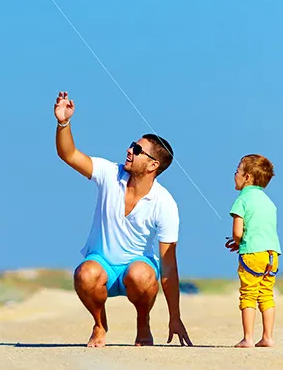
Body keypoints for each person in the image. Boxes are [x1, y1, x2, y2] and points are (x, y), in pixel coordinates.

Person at [53, 91, 192, 348]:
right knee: (85, 274)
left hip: (136, 269)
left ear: (152, 166)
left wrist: (175, 318)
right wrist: (63, 123)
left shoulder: (165, 204)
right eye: (132, 144)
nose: (130, 150)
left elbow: (169, 267)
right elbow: (69, 154)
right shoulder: (109, 173)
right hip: (101, 264)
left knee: (142, 274)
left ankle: (143, 324)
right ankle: (99, 325)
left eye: (138, 149)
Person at [224, 154, 282, 348]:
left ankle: (248, 338)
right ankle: (268, 337)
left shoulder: (242, 199)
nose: (234, 175)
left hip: (252, 254)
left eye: (237, 171)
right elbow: (262, 230)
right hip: (272, 254)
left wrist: (239, 242)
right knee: (266, 294)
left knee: (248, 294)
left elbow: (237, 232)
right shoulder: (269, 202)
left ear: (247, 177)